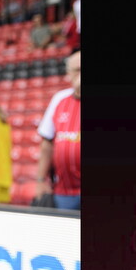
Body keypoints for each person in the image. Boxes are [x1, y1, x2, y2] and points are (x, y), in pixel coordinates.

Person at [36, 50, 81, 210]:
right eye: (77, 70)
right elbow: (46, 144)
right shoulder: (59, 99)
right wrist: (40, 180)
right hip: (65, 192)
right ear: (69, 74)